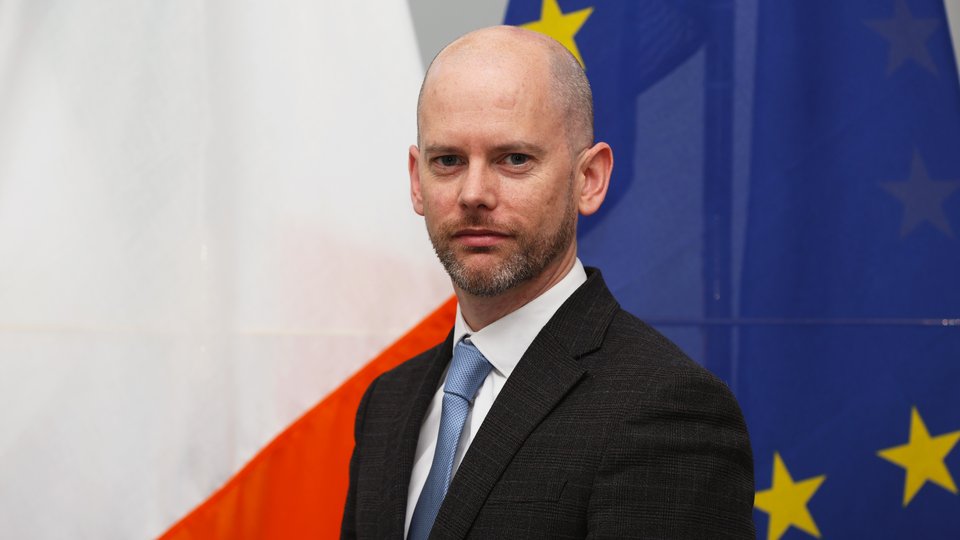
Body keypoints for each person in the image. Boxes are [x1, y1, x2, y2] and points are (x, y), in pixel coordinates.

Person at [341, 26, 754, 539]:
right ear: (415, 179)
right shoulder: (387, 404)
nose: (474, 193)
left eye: (514, 159)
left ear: (590, 179)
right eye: (448, 161)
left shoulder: (666, 409)